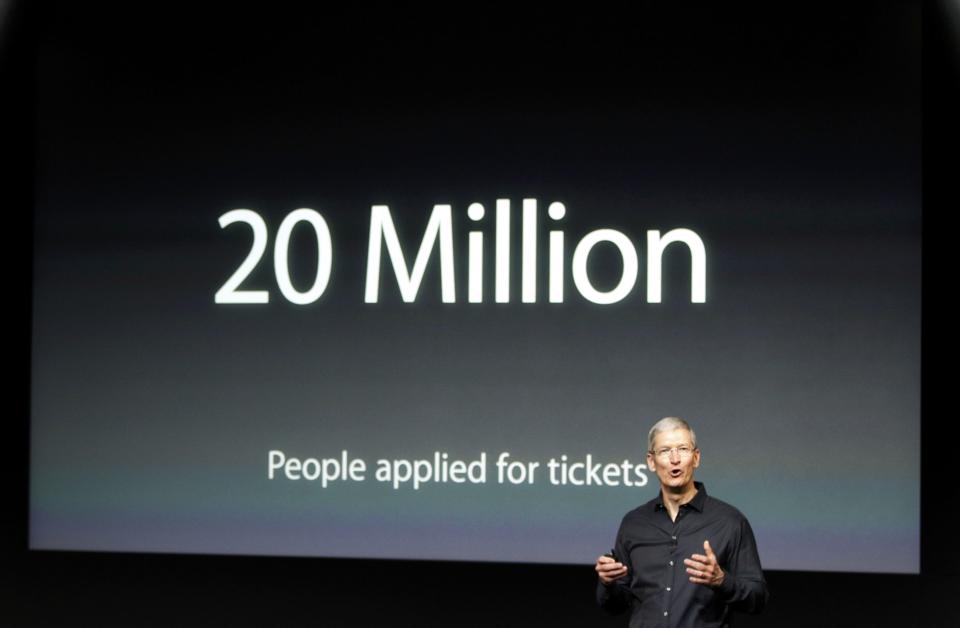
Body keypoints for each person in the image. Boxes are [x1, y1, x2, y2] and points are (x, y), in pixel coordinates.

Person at [595, 417, 768, 627]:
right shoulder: (634, 523)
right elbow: (616, 606)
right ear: (651, 461)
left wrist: (722, 581)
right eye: (665, 451)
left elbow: (758, 598)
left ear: (696, 458)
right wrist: (608, 583)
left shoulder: (730, 521)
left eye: (683, 449)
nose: (675, 459)